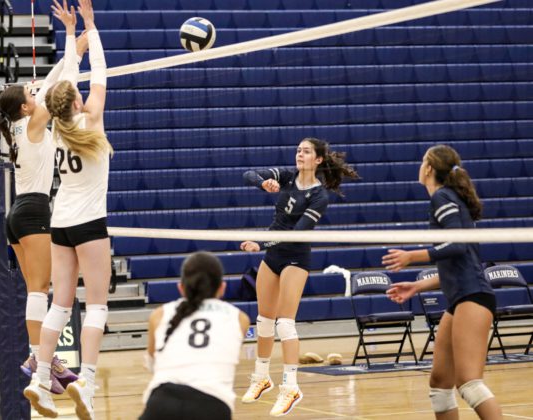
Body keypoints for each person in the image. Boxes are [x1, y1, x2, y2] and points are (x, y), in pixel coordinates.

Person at [23, 0, 112, 418]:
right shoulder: (91, 122)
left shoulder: (57, 127)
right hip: (90, 224)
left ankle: (40, 380)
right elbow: (99, 72)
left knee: (60, 304)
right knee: (96, 306)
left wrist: (72, 33)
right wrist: (89, 26)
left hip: (60, 222)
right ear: (77, 101)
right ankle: (86, 385)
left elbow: (68, 82)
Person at [0, 0, 88, 395]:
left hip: (17, 214)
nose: (32, 92)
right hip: (34, 211)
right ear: (24, 105)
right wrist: (73, 32)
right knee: (39, 289)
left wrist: (81, 36)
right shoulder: (33, 121)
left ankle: (40, 357)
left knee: (37, 289)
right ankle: (39, 358)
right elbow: (59, 82)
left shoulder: (17, 125)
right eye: (27, 93)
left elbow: (57, 73)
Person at [239, 138, 359, 417]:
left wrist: (260, 243)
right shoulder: (286, 176)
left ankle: (290, 387)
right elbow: (248, 174)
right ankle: (261, 378)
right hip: (273, 256)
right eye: (298, 150)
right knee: (264, 321)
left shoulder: (319, 196)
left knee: (284, 324)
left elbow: (295, 234)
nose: (299, 154)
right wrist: (263, 183)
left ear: (318, 159)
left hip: (295, 257)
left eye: (306, 151)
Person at [383, 144, 502, 419]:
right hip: (460, 297)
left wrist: (412, 256)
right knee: (439, 384)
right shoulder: (447, 198)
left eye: (422, 161)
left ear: (428, 168)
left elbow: (457, 245)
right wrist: (417, 286)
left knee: (469, 383)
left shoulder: (442, 197)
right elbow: (458, 263)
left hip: (473, 296)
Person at [139, 252, 250, 420]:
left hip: (162, 403)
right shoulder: (240, 318)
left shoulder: (159, 315)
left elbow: (152, 363)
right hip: (212, 406)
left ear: (181, 287)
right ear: (222, 288)